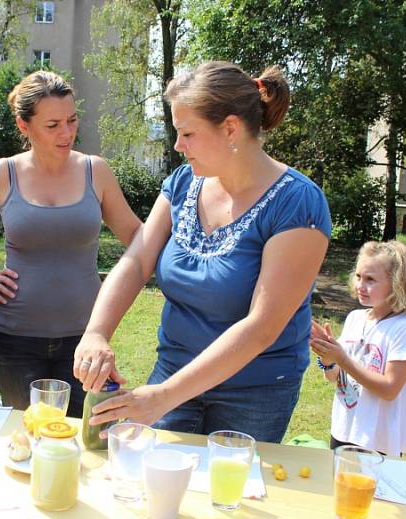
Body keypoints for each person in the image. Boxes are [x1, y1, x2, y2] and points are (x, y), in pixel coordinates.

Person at [73, 61, 332, 442]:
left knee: (228, 499)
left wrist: (162, 398)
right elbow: (137, 260)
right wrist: (96, 333)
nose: (178, 146)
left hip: (254, 392)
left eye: (187, 133)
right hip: (174, 370)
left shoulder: (298, 203)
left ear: (230, 128)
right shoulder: (182, 184)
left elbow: (262, 327)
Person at [0, 71, 141, 417]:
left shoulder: (97, 172)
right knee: (27, 436)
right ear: (24, 126)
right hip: (15, 340)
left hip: (85, 340)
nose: (66, 133)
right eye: (52, 125)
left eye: (72, 120)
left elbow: (138, 237)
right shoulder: (1, 174)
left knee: (85, 440)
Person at [310, 240, 406, 457]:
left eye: (371, 279)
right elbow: (335, 377)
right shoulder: (355, 319)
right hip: (345, 430)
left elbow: (390, 389)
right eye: (359, 276)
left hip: (378, 439)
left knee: (372, 491)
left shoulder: (404, 329)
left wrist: (342, 359)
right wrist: (327, 357)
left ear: (397, 283)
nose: (361, 285)